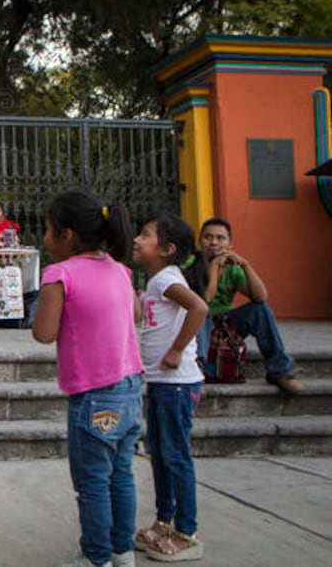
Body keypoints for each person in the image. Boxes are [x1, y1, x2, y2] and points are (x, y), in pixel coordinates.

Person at [31, 190, 144, 567]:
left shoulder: (59, 274)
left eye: (47, 230)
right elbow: (137, 314)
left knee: (93, 483)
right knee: (120, 475)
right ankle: (122, 552)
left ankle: (96, 558)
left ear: (66, 234)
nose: (44, 239)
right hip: (130, 389)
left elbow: (44, 333)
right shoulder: (119, 269)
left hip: (94, 396)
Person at [132, 215, 208, 562]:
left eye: (145, 235)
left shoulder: (166, 279)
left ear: (167, 249)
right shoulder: (156, 280)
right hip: (162, 383)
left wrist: (176, 349)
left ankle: (187, 532)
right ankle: (164, 522)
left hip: (177, 384)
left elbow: (199, 307)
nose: (136, 239)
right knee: (161, 454)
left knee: (175, 456)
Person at [195, 217, 303, 393]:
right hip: (199, 325)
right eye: (208, 237)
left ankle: (281, 371)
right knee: (201, 312)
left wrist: (245, 265)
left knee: (260, 309)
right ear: (200, 242)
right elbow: (204, 300)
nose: (214, 242)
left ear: (230, 243)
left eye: (220, 238)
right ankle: (196, 375)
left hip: (226, 325)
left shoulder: (233, 269)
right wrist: (214, 267)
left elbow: (261, 297)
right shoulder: (191, 266)